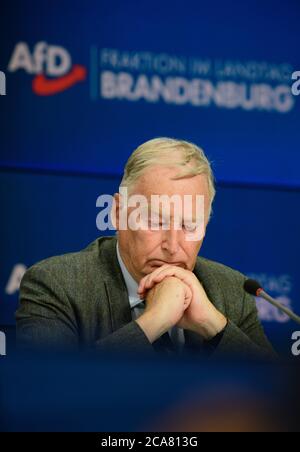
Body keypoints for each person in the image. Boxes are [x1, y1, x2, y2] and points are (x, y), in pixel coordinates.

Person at [16, 138, 275, 360]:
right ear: (117, 213)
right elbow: (50, 388)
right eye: (155, 221)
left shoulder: (231, 292)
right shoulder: (57, 285)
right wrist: (155, 321)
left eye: (189, 225)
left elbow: (279, 401)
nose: (173, 247)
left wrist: (213, 325)